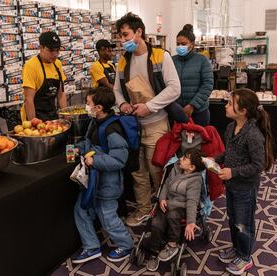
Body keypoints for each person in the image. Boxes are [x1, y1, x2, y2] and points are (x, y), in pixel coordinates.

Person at [113, 12, 182, 227]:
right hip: (133, 127)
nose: (122, 40)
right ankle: (143, 208)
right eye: (120, 37)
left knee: (157, 171)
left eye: (125, 35)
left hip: (157, 124)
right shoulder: (123, 62)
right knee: (138, 171)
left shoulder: (161, 56)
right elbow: (117, 90)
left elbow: (174, 89)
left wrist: (149, 106)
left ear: (139, 32)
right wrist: (122, 104)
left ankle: (166, 211)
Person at [215, 88, 274, 275]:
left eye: (230, 103)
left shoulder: (253, 134)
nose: (225, 105)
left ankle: (245, 256)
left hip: (246, 188)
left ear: (243, 111)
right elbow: (230, 152)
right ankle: (237, 248)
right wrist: (215, 160)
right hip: (232, 185)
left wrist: (233, 172)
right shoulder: (231, 127)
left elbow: (259, 165)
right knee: (233, 220)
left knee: (243, 223)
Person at [72, 87, 134, 264]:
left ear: (98, 107)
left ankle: (126, 244)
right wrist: (80, 148)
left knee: (107, 217)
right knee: (81, 210)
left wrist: (95, 161)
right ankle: (91, 246)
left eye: (88, 103)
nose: (86, 106)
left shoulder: (112, 129)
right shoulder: (95, 122)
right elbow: (91, 143)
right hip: (93, 181)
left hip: (108, 184)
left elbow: (119, 159)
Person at [143, 148, 205, 271]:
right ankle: (155, 250)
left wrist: (191, 222)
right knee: (156, 224)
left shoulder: (195, 180)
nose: (180, 158)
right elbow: (165, 185)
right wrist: (162, 199)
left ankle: (172, 243)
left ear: (192, 167)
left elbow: (192, 202)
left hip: (181, 207)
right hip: (167, 203)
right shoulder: (176, 168)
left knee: (172, 215)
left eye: (185, 158)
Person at [172, 24, 213, 126]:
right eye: (178, 44)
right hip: (177, 111)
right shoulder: (171, 60)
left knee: (199, 140)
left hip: (199, 112)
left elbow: (207, 85)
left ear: (192, 44)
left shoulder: (202, 60)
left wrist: (193, 105)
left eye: (183, 44)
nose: (180, 46)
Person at [21, 31, 67, 122]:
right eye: (50, 50)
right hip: (34, 115)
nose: (55, 55)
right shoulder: (31, 66)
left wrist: (66, 116)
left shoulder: (58, 64)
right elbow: (29, 99)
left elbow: (61, 94)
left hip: (51, 114)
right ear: (41, 48)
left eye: (57, 50)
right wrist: (33, 124)